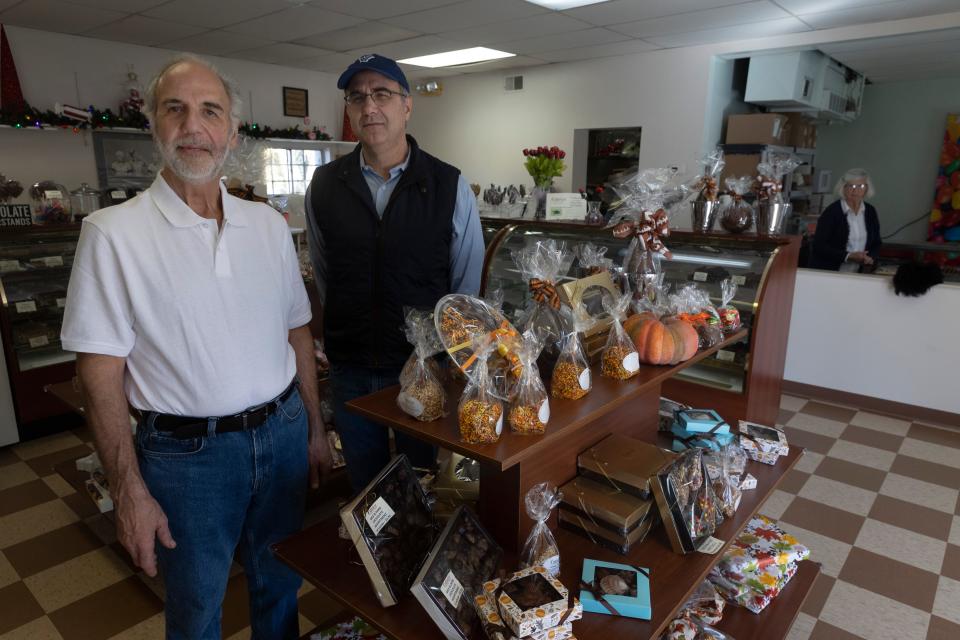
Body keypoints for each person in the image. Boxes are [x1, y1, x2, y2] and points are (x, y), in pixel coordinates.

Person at [61, 55, 333, 640]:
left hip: (283, 436)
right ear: (154, 126)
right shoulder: (112, 233)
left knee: (280, 583)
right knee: (196, 607)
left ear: (232, 132)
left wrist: (313, 427)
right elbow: (99, 372)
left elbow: (297, 330)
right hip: (188, 460)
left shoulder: (266, 225)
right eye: (175, 109)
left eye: (210, 110)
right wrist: (128, 490)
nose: (193, 125)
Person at [305, 53, 484, 492]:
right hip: (351, 369)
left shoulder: (448, 185)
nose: (370, 107)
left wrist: (448, 360)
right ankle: (376, 556)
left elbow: (465, 286)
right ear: (349, 110)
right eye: (357, 97)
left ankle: (419, 553)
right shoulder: (325, 185)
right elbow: (325, 273)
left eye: (382, 94)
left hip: (421, 367)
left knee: (420, 480)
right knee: (366, 486)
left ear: (407, 105)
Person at [809, 168, 881, 272]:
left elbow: (876, 243)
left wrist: (869, 257)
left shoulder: (870, 211)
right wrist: (848, 256)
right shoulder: (832, 212)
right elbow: (819, 246)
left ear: (866, 188)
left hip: (858, 273)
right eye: (851, 186)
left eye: (861, 186)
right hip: (829, 272)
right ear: (843, 188)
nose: (855, 190)